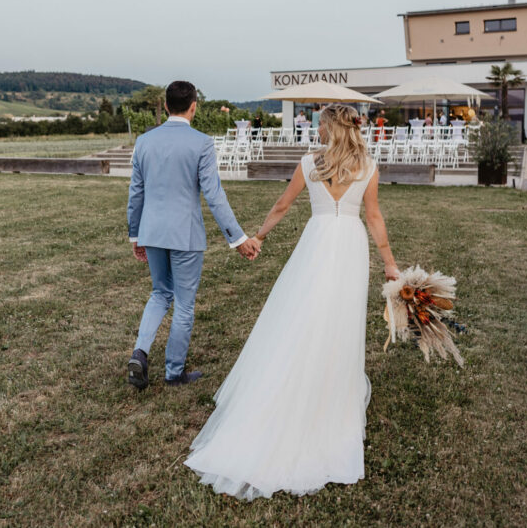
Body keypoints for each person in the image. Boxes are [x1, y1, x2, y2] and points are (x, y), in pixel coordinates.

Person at [185, 103, 400, 500]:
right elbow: (374, 217)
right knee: (338, 321)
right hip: (350, 246)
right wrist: (389, 263)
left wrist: (260, 236)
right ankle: (329, 396)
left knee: (304, 315)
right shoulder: (367, 166)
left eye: (320, 125)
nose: (317, 130)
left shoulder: (309, 163)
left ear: (330, 128)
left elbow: (283, 206)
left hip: (318, 243)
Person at [126, 81, 261, 390]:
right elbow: (214, 195)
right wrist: (238, 238)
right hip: (184, 234)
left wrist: (136, 233)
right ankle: (173, 373)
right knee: (184, 304)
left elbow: (136, 193)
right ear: (193, 106)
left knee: (160, 293)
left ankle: (140, 352)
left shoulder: (144, 141)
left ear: (166, 103)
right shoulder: (201, 142)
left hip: (152, 231)